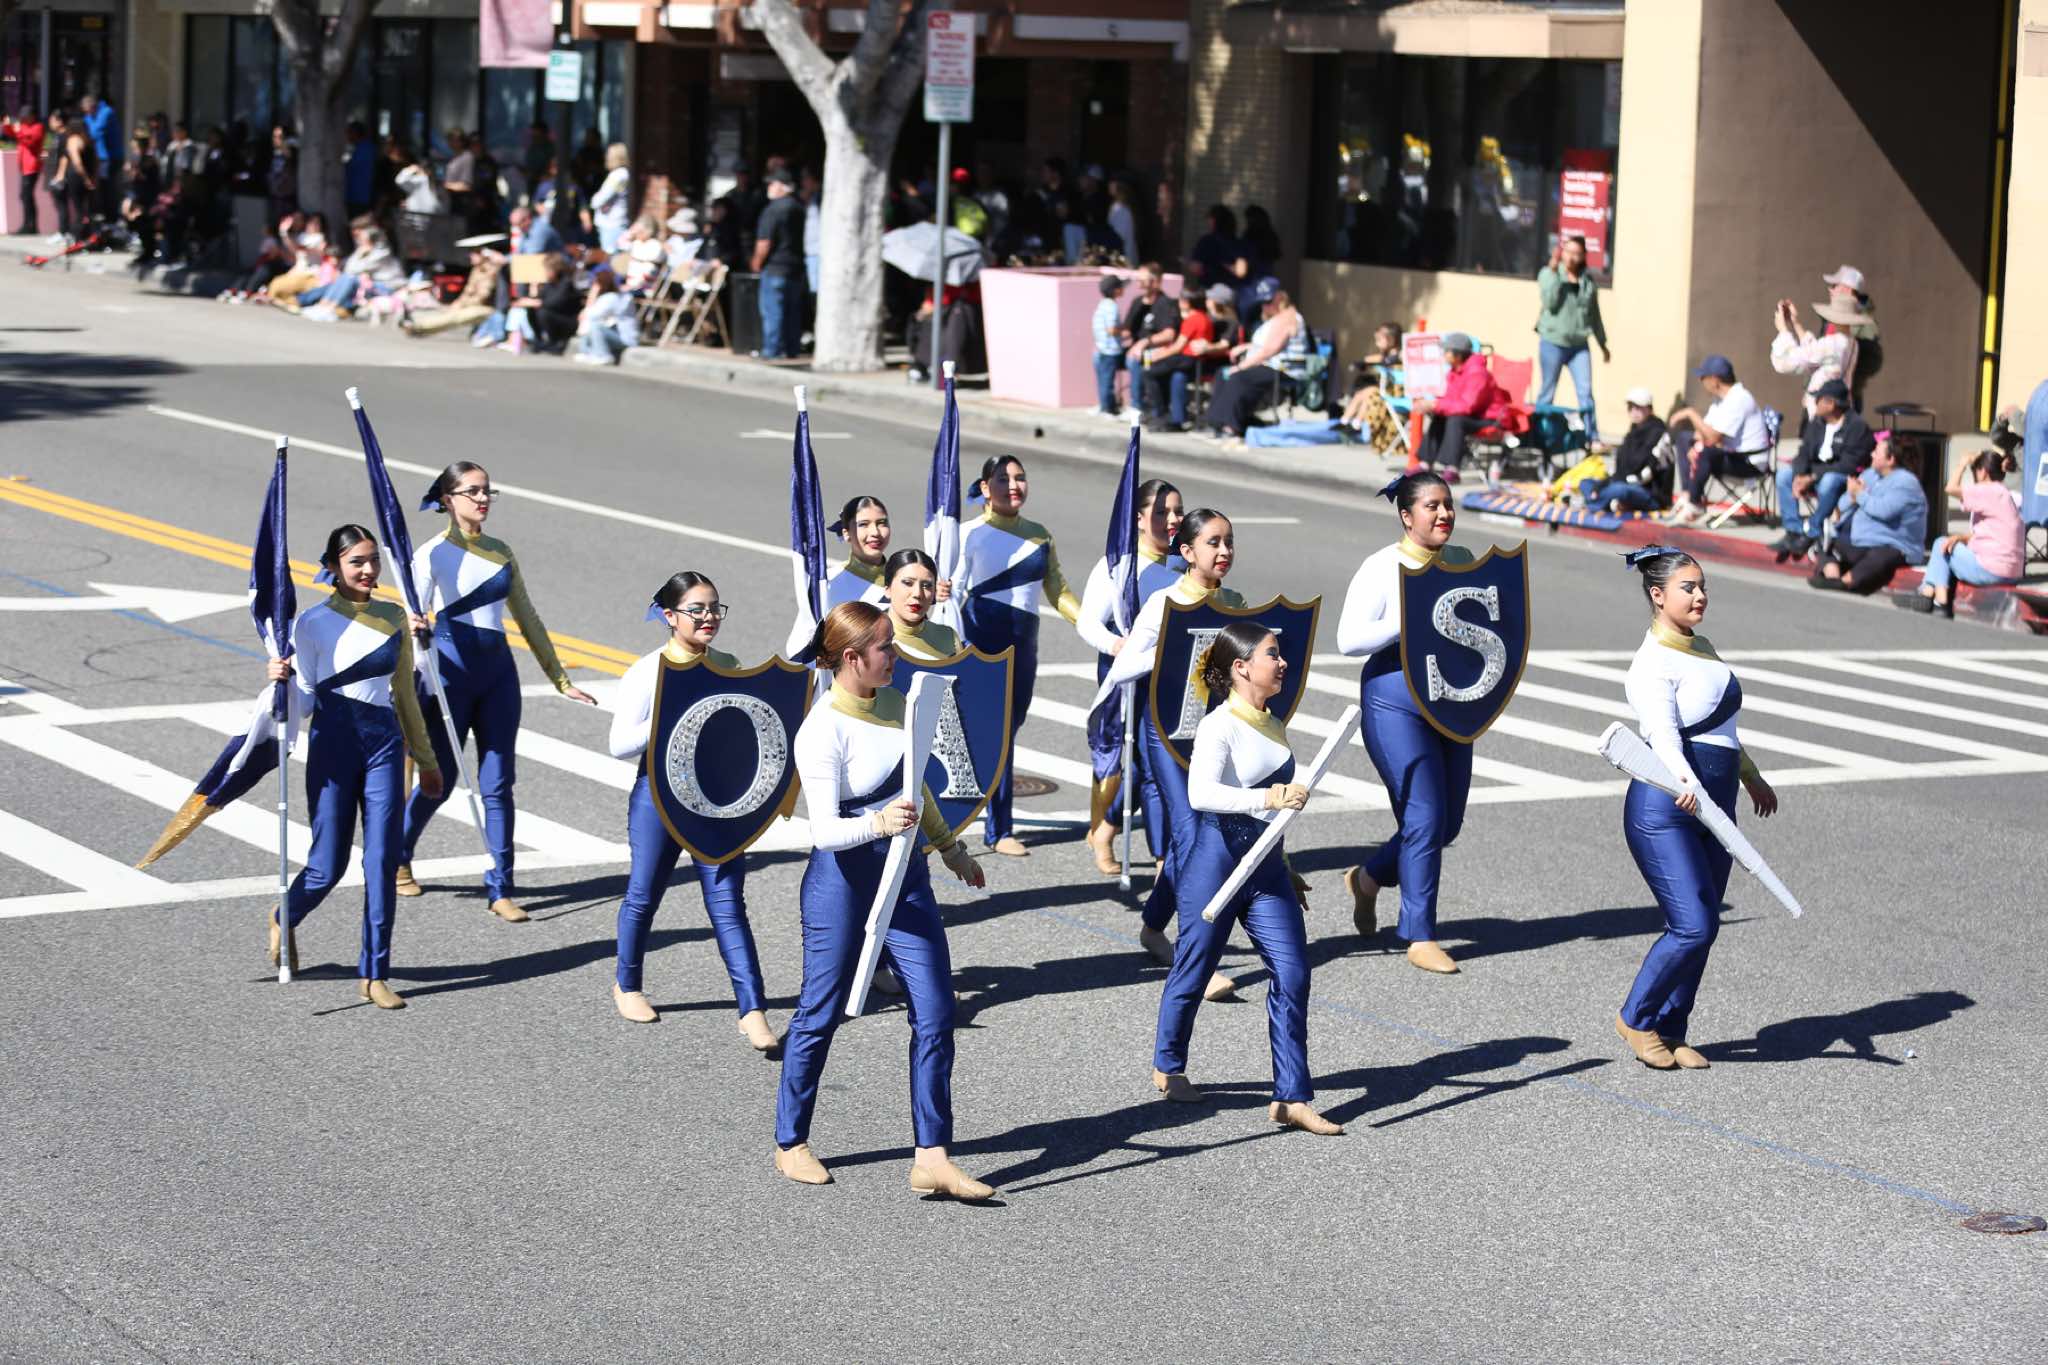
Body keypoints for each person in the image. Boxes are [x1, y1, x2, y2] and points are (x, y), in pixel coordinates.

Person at [773, 601, 991, 1197]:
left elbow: (915, 784)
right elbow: (824, 832)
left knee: (936, 1011)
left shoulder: (898, 704)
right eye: (885, 647)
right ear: (851, 658)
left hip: (906, 879)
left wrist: (950, 849)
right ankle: (791, 1142)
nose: (895, 655)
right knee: (820, 1011)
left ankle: (932, 1155)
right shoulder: (822, 730)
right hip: (842, 883)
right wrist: (876, 823)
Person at [1149, 621, 1341, 1135]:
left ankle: (1291, 1096)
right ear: (1241, 667)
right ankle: (1168, 1064)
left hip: (1266, 868)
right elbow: (1201, 794)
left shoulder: (1272, 722)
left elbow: (1269, 816)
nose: (1282, 663)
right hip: (1215, 864)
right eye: (1272, 654)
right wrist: (1270, 796)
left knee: (1293, 972)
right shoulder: (1220, 725)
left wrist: (1287, 865)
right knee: (1194, 967)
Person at [394, 462, 598, 917]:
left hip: (498, 679)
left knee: (499, 784)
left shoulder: (501, 552)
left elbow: (527, 616)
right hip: (450, 680)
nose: (483, 499)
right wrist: (414, 629)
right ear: (447, 499)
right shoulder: (430, 555)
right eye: (472, 491)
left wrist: (560, 679)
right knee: (439, 782)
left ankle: (501, 888)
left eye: (487, 491)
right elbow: (409, 621)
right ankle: (398, 854)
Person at [1613, 548, 1778, 1070]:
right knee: (1693, 925)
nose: (1700, 595)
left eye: (1703, 586)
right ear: (1657, 595)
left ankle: (1672, 1028)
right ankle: (1636, 1019)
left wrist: (1751, 777)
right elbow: (1662, 736)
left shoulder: (1700, 646)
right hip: (1667, 808)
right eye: (1688, 588)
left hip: (1716, 804)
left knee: (1704, 925)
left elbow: (1720, 730)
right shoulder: (1652, 663)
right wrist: (1686, 783)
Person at [266, 525, 444, 1010]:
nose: (367, 570)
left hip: (384, 747)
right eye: (355, 562)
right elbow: (305, 699)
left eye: (372, 560)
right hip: (333, 748)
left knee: (382, 859)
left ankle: (374, 972)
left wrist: (426, 759)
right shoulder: (312, 623)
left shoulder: (392, 616)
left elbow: (404, 694)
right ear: (333, 567)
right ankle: (285, 915)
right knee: (328, 866)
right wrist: (281, 682)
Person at [603, 572, 777, 1049]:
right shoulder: (648, 671)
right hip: (658, 798)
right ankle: (628, 984)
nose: (708, 618)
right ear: (669, 615)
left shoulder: (728, 664)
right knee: (644, 894)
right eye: (696, 609)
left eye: (714, 608)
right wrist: (671, 713)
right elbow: (619, 744)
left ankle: (753, 1010)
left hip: (716, 802)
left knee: (728, 904)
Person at [1091, 507, 1244, 1003]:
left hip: (1216, 737)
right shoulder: (1165, 603)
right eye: (1212, 542)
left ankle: (1154, 925)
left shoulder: (1235, 604)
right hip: (1167, 734)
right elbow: (1123, 668)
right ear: (1187, 551)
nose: (1223, 551)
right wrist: (1169, 651)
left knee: (1188, 845)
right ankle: (1197, 962)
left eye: (1228, 541)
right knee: (1194, 836)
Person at [1335, 474, 1477, 975]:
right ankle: (1420, 935)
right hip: (1395, 700)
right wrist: (1413, 618)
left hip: (1454, 700)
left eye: (1448, 505)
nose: (1443, 514)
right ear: (1406, 515)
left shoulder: (1461, 561)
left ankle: (1368, 878)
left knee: (1447, 823)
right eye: (1431, 506)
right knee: (1423, 816)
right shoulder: (1382, 566)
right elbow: (1348, 640)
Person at [960, 456, 1082, 855]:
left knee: (1008, 730)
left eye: (1020, 478)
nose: (1013, 485)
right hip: (980, 643)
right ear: (984, 487)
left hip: (1024, 647)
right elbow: (950, 589)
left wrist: (1094, 627)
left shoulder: (1039, 535)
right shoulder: (967, 534)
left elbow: (1058, 591)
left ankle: (981, 811)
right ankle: (1000, 830)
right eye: (1003, 478)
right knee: (997, 734)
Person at [1075, 478, 1185, 875]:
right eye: (1161, 512)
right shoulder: (1119, 564)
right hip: (1127, 675)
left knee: (1156, 765)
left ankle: (1112, 833)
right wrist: (1115, 645)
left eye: (1177, 511)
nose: (1172, 519)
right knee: (1138, 765)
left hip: (1170, 676)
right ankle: (1158, 858)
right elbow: (1088, 622)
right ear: (1138, 518)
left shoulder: (1184, 562)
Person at [1906, 449, 2025, 616]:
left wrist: (1962, 463)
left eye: (1974, 471)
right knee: (1949, 544)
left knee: (1941, 544)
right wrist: (1960, 537)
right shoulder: (2004, 494)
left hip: (1992, 571)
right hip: (2012, 572)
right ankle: (1929, 593)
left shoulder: (1989, 491)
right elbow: (1990, 533)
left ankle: (1936, 599)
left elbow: (1951, 488)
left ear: (1982, 472)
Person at [1810, 430, 1928, 595]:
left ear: (1890, 459)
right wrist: (1851, 498)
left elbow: (1883, 510)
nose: (1872, 454)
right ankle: (1833, 578)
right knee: (1824, 540)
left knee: (1881, 558)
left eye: (1877, 452)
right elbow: (1843, 503)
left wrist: (1859, 494)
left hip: (1892, 543)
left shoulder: (1906, 482)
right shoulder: (1871, 474)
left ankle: (1846, 582)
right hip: (1861, 540)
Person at [1771, 378, 1873, 561]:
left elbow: (1848, 465)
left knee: (1829, 481)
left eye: (1817, 399)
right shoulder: (1816, 423)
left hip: (1838, 479)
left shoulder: (1857, 427)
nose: (1814, 403)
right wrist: (1800, 476)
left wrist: (1812, 477)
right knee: (1784, 475)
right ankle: (1794, 532)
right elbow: (1803, 452)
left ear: (1831, 403)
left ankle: (1813, 530)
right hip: (1812, 474)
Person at [1666, 355, 1771, 522]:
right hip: (1732, 455)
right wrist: (1697, 443)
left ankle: (1694, 503)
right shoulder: (1720, 401)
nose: (1701, 381)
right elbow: (1703, 432)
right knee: (1684, 438)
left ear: (1715, 380)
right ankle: (1688, 494)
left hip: (1749, 464)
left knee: (1705, 451)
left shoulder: (1739, 399)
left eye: (1703, 377)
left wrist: (1691, 414)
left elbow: (1713, 437)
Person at [1205, 282, 1308, 440]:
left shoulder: (1287, 317)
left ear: (1280, 298)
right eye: (1262, 302)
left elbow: (1271, 349)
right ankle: (1216, 421)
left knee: (1238, 377)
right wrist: (1245, 347)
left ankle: (1231, 425)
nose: (1265, 306)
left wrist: (1241, 366)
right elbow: (1264, 344)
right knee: (1223, 373)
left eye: (1268, 302)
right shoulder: (1275, 319)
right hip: (1267, 364)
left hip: (1283, 369)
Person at [1534, 234, 1609, 442]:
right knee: (1547, 391)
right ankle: (1539, 436)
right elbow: (1549, 302)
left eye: (1577, 253)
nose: (1572, 257)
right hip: (1553, 342)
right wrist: (1555, 274)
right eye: (1568, 252)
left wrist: (1603, 344)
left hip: (1579, 345)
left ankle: (1592, 437)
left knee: (1586, 392)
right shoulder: (1548, 274)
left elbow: (1594, 316)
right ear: (1562, 252)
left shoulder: (1588, 282)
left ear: (1583, 256)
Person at [1412, 332, 1509, 478]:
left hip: (1491, 418)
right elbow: (1450, 401)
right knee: (1440, 416)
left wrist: (1436, 404)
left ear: (1458, 355)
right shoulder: (1454, 372)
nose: (1443, 354)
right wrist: (1432, 405)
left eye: (1447, 351)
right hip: (1473, 415)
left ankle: (1452, 468)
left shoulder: (1477, 373)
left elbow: (1467, 405)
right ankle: (1425, 463)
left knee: (1455, 419)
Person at [1770, 295, 1864, 424]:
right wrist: (1796, 324)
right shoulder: (1852, 343)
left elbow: (1787, 362)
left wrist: (1783, 330)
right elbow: (1815, 354)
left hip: (1824, 411)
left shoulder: (1832, 343)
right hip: (1841, 408)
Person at [1578, 388, 1673, 514]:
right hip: (1626, 484)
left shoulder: (1658, 434)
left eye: (1638, 408)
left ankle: (1596, 504)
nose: (1634, 412)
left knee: (1619, 490)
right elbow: (1621, 469)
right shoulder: (1632, 433)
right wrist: (1603, 484)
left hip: (1651, 494)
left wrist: (1613, 483)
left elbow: (1645, 474)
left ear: (1649, 409)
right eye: (1630, 407)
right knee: (1586, 483)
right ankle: (1607, 502)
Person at [751, 166, 805, 359]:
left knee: (773, 312)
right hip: (795, 268)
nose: (769, 187)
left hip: (775, 267)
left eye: (772, 184)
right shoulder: (799, 208)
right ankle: (792, 349)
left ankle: (771, 350)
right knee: (792, 313)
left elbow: (764, 242)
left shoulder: (773, 210)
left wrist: (756, 261)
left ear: (783, 187)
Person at [1119, 264, 1178, 417]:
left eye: (1143, 280)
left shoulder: (1166, 303)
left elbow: (1169, 335)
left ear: (1155, 281)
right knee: (1103, 355)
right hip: (1136, 347)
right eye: (1138, 280)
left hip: (1156, 350)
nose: (1139, 284)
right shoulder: (1138, 302)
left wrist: (1144, 342)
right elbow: (1127, 329)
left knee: (1135, 359)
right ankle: (1108, 405)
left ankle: (1137, 406)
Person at [883, 549, 958, 662]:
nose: (918, 593)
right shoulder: (865, 634)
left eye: (927, 585)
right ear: (887, 589)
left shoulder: (949, 638)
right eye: (908, 583)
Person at [824, 495, 894, 609]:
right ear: (846, 533)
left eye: (882, 523)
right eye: (863, 524)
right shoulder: (827, 581)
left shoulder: (904, 582)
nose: (875, 532)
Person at [47, 112, 97, 243]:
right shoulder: (86, 140)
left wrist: (86, 178)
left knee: (79, 209)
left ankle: (79, 236)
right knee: (86, 208)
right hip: (85, 176)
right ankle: (84, 235)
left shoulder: (72, 140)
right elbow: (94, 161)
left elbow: (76, 162)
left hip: (77, 177)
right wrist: (91, 178)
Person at [573, 270, 640, 365]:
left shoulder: (612, 297)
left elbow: (592, 315)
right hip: (615, 334)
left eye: (595, 284)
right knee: (591, 324)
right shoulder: (610, 297)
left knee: (595, 325)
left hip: (625, 339)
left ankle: (603, 355)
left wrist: (592, 296)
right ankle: (587, 352)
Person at [120, 129, 161, 263]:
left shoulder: (149, 159)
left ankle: (149, 251)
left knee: (145, 224)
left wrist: (135, 171)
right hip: (139, 195)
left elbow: (146, 178)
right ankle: (146, 250)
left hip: (147, 196)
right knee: (138, 223)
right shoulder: (138, 158)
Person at [1090, 275, 1126, 418]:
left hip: (1100, 348)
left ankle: (1104, 405)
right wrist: (1123, 330)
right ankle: (1108, 409)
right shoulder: (1112, 306)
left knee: (1102, 380)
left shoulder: (1103, 304)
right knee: (1107, 381)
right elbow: (1111, 329)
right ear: (1116, 290)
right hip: (1109, 350)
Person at [7, 106, 45, 234]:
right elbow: (11, 133)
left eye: (26, 116)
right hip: (23, 166)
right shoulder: (23, 126)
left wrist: (19, 132)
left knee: (27, 196)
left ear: (33, 116)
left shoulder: (38, 127)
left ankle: (30, 226)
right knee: (24, 196)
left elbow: (31, 143)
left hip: (32, 167)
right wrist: (8, 125)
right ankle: (28, 225)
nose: (24, 118)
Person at [80, 93, 118, 219]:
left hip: (110, 156)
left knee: (107, 186)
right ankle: (101, 214)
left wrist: (86, 132)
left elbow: (95, 132)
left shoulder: (106, 112)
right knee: (99, 186)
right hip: (98, 156)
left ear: (92, 106)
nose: (87, 114)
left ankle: (111, 217)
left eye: (87, 111)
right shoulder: (90, 116)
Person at [590, 142, 632, 252]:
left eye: (608, 154)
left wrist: (595, 199)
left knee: (610, 257)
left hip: (612, 224)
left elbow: (601, 199)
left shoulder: (619, 175)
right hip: (611, 223)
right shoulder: (620, 174)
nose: (606, 157)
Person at [1186, 205, 1241, 290]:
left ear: (1214, 221)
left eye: (1209, 219)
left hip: (1210, 289)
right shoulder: (1239, 243)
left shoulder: (1207, 241)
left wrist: (1189, 264)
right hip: (1235, 289)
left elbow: (1196, 268)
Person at [344, 121, 376, 218]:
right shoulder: (358, 148)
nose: (347, 136)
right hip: (355, 196)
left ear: (355, 133)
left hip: (361, 197)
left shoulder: (366, 149)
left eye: (349, 133)